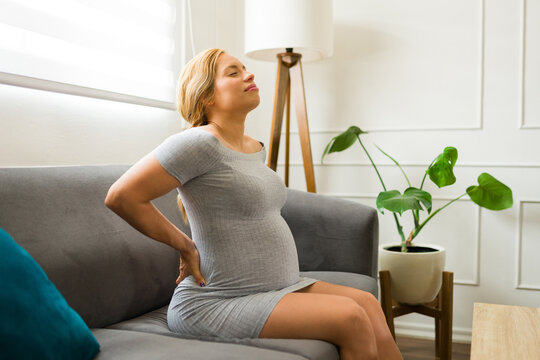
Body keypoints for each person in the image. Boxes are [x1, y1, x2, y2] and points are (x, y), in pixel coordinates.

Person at [105, 48, 402, 360]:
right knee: (349, 318)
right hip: (216, 301)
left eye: (245, 69)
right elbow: (121, 196)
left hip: (272, 289)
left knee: (367, 304)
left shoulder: (253, 148)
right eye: (233, 72)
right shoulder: (198, 142)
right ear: (206, 96)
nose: (249, 75)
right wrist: (185, 245)